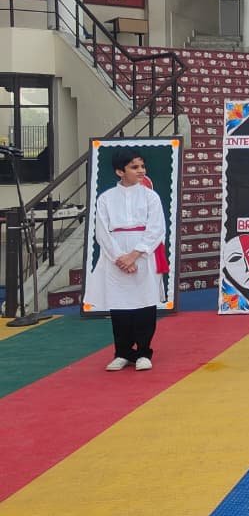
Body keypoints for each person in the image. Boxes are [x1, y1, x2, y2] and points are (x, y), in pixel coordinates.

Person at [85, 149, 167, 372]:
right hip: (115, 256)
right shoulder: (106, 198)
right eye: (134, 167)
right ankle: (122, 352)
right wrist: (119, 258)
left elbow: (157, 228)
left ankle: (143, 352)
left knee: (145, 302)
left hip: (143, 254)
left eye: (142, 166)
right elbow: (102, 231)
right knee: (119, 304)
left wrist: (135, 254)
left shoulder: (151, 197)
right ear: (120, 171)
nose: (141, 171)